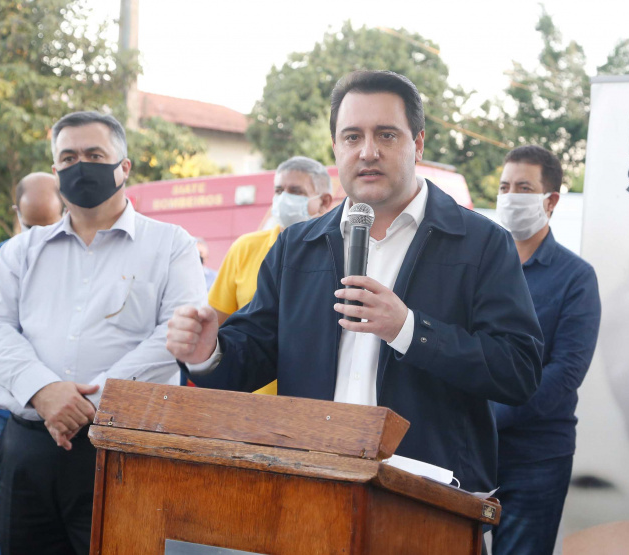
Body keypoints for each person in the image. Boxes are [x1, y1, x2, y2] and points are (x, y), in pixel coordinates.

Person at [167, 70, 543, 494]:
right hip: (310, 489)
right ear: (334, 147)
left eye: (386, 135)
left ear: (417, 144)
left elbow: (518, 371)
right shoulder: (298, 245)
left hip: (428, 500)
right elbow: (254, 352)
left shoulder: (480, 243)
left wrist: (409, 330)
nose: (367, 152)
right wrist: (208, 353)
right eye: (351, 137)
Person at [0, 111, 206, 555]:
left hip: (122, 447)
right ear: (55, 171)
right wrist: (44, 391)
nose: (81, 165)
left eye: (95, 154)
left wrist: (86, 401)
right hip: (28, 448)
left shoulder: (171, 245)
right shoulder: (20, 252)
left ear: (123, 166)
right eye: (68, 157)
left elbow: (174, 334)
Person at [489, 145, 601, 555]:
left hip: (535, 458)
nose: (510, 196)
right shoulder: (481, 265)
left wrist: (490, 414)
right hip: (472, 451)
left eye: (523, 187)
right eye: (504, 187)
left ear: (550, 200)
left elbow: (565, 372)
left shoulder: (576, 278)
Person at [0, 172, 64, 554]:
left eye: (47, 225)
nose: (36, 236)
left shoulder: (79, 262)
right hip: (8, 413)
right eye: (29, 225)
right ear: (15, 213)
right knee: (14, 511)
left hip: (70, 407)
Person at [209, 157, 333, 327]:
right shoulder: (245, 248)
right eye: (279, 190)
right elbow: (214, 326)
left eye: (296, 191)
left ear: (324, 202)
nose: (284, 198)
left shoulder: (335, 251)